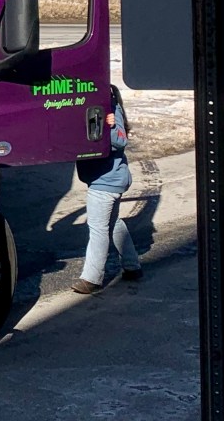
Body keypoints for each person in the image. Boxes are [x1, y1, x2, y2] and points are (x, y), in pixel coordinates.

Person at [72, 84, 143, 294]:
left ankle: (92, 279)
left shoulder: (110, 109)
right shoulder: (96, 107)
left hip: (106, 181)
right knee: (113, 222)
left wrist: (109, 126)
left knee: (98, 228)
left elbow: (120, 140)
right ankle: (132, 266)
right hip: (109, 178)